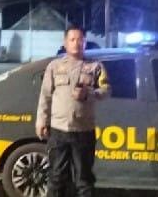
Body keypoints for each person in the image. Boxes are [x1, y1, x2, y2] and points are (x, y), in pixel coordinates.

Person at [36, 26, 109, 197]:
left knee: (84, 180)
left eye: (80, 39)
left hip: (83, 131)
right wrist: (41, 121)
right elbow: (45, 95)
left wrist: (89, 93)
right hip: (58, 130)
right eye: (72, 39)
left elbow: (106, 90)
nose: (76, 43)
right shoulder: (54, 66)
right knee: (56, 177)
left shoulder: (95, 67)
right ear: (65, 42)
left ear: (85, 42)